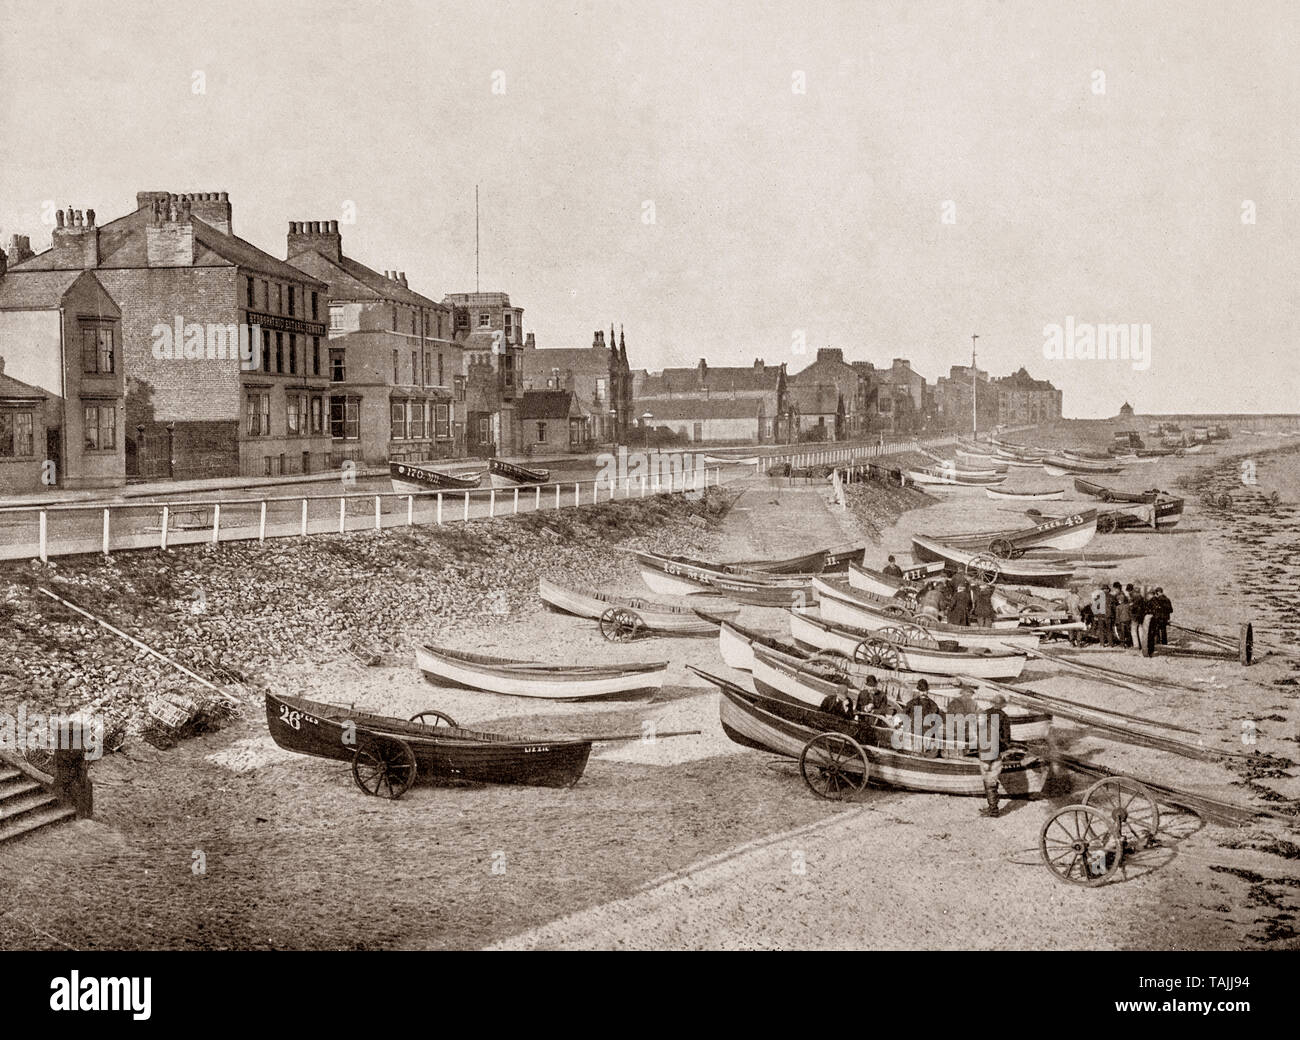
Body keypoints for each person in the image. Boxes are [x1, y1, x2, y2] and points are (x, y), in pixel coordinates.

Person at [976, 694, 1014, 818]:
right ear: (1002, 705)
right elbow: (1007, 738)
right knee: (992, 778)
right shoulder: (1005, 717)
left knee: (987, 778)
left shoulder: (984, 714)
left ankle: (993, 809)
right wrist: (1003, 748)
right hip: (996, 751)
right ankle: (993, 807)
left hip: (985, 749)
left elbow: (978, 731)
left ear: (992, 703)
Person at [944, 680, 980, 758]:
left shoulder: (973, 703)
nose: (969, 695)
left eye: (970, 693)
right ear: (963, 692)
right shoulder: (955, 702)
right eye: (968, 692)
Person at [1127, 583, 1146, 651]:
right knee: (1140, 630)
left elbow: (1132, 607)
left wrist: (1130, 606)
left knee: (1133, 630)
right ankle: (1142, 644)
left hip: (1135, 616)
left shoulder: (1132, 596)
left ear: (1129, 590)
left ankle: (1136, 646)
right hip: (1141, 615)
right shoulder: (1140, 595)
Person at [1113, 583, 1131, 648]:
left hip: (1121, 617)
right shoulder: (1123, 595)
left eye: (1115, 589)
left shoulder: (1120, 595)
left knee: (1121, 631)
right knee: (1127, 631)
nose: (1115, 590)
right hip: (1127, 618)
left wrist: (1116, 621)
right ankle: (1128, 643)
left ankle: (1123, 644)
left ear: (1118, 588)